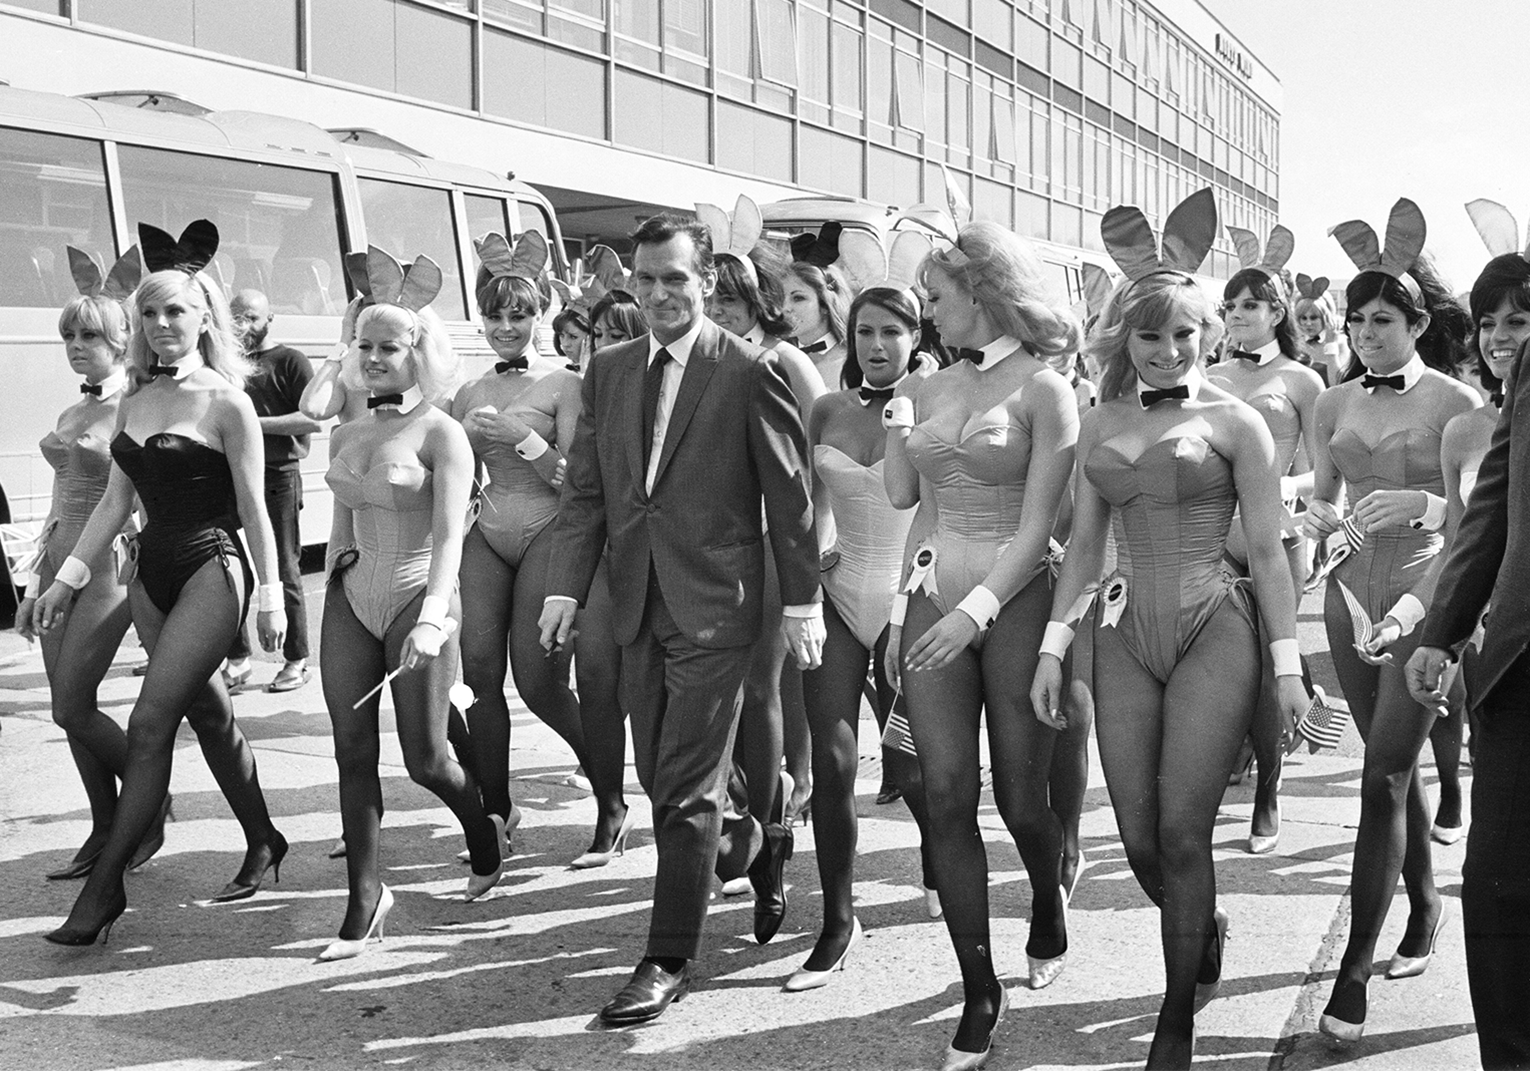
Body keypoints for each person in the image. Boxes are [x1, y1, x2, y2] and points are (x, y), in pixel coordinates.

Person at [1031, 191, 1308, 1069]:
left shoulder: (1238, 422)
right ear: (1126, 338)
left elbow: (1268, 556)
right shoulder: (1099, 422)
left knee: (1185, 834)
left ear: (1208, 333)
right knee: (1142, 840)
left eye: (1183, 333)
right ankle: (1203, 920)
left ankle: (1176, 1018)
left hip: (1213, 626)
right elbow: (1082, 549)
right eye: (1150, 336)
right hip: (1120, 632)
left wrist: (1289, 666)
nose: (1167, 350)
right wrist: (1052, 646)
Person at [539, 212, 823, 1026]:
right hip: (634, 600)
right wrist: (564, 589)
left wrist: (801, 601)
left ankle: (667, 956)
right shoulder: (610, 369)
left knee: (688, 787)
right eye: (647, 278)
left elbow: (790, 497)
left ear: (705, 281)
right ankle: (759, 835)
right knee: (662, 777)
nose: (660, 293)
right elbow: (587, 491)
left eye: (676, 278)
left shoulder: (748, 369)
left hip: (717, 606)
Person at [35, 220, 289, 944]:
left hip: (213, 566)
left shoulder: (228, 401)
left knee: (150, 724)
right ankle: (265, 837)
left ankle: (106, 890)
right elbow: (115, 503)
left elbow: (254, 510)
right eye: (149, 312)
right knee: (210, 717)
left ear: (204, 317)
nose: (161, 323)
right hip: (151, 574)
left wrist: (271, 598)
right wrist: (64, 581)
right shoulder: (136, 399)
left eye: (175, 310)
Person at [881, 220, 1082, 1071]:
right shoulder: (929, 385)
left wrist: (977, 611)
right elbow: (912, 502)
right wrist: (901, 612)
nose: (926, 311)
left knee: (1021, 800)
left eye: (935, 295)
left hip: (1016, 602)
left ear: (982, 291)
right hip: (934, 601)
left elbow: (1040, 529)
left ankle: (1048, 895)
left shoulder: (1047, 389)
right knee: (945, 794)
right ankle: (979, 988)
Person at [1305, 201, 1478, 1044]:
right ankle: (1425, 900)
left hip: (1427, 592)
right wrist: (1315, 525)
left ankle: (1352, 970)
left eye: (1383, 319)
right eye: (1357, 319)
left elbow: (1478, 520)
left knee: (1381, 775)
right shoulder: (1330, 402)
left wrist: (1426, 504)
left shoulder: (1458, 401)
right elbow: (1324, 498)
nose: (1366, 332)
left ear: (1416, 324)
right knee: (1388, 771)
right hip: (1345, 597)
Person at [317, 247, 505, 960]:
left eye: (388, 347)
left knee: (426, 759)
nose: (372, 358)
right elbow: (341, 524)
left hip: (419, 595)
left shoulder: (442, 432)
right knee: (351, 750)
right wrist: (329, 594)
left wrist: (433, 616)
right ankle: (365, 899)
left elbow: (453, 533)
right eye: (363, 345)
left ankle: (484, 833)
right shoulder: (345, 432)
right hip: (350, 598)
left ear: (417, 354)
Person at [451, 231, 627, 867]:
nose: (506, 326)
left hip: (550, 531)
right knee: (477, 677)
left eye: (518, 314)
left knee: (539, 683)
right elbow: (451, 474)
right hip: (486, 532)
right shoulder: (467, 392)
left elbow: (578, 481)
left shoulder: (565, 384)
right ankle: (497, 811)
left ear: (539, 316)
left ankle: (611, 798)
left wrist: (522, 439)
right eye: (495, 315)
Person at [790, 284, 939, 992]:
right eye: (864, 332)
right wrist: (813, 566)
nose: (876, 346)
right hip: (840, 596)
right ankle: (838, 920)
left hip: (914, 601)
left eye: (891, 332)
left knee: (911, 768)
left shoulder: (936, 402)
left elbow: (945, 507)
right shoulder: (826, 408)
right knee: (834, 762)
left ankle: (939, 855)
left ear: (916, 336)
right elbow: (808, 504)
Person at [17, 246, 143, 881]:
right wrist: (31, 582)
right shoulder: (73, 410)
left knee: (70, 705)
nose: (76, 346)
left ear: (121, 340)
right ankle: (104, 824)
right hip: (56, 563)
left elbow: (139, 501)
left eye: (89, 336)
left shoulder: (136, 407)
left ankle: (146, 805)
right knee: (69, 706)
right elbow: (55, 501)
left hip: (105, 567)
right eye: (69, 335)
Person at [1209, 237, 1324, 855]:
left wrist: (1276, 483)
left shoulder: (1303, 380)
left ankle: (1269, 791)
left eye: (1250, 305)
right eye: (1230, 306)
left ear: (1278, 312)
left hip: (1276, 536)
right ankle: (1238, 755)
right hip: (1213, 536)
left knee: (1269, 663)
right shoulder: (1209, 376)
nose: (1237, 315)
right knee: (1226, 662)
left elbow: (1324, 474)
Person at [221, 288, 319, 693]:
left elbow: (312, 418)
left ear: (270, 319)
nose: (243, 326)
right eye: (236, 318)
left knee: (283, 568)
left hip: (278, 475)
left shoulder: (290, 360)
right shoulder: (226, 362)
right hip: (230, 474)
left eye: (251, 318)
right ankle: (238, 659)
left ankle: (296, 660)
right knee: (226, 568)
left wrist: (251, 424)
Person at [784, 256, 851, 391]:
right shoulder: (778, 358)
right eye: (780, 298)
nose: (784, 308)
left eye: (798, 298)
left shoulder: (849, 363)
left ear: (825, 305)